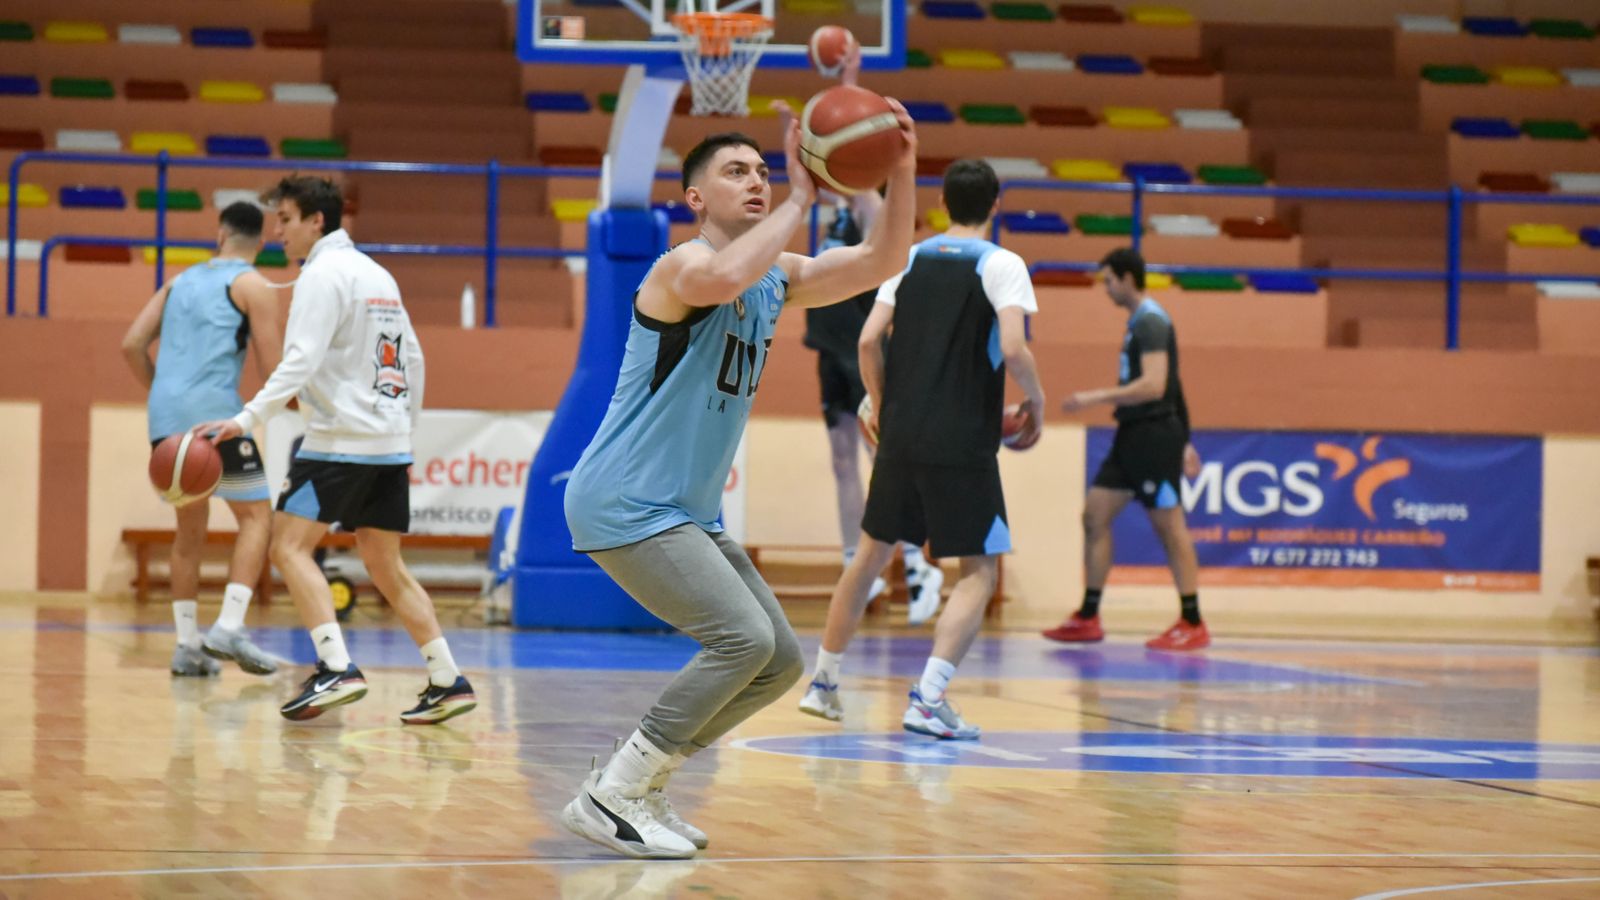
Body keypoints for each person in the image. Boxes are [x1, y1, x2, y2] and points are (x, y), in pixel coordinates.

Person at [559, 112, 918, 859]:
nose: (755, 180)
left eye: (762, 170)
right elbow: (724, 276)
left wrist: (902, 166)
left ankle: (645, 786)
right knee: (741, 639)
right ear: (694, 198)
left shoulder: (776, 278)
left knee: (780, 660)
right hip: (626, 499)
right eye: (737, 172)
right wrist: (797, 197)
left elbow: (884, 257)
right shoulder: (678, 269)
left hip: (685, 510)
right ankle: (614, 790)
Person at [192, 176, 477, 723]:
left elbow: (297, 362)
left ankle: (335, 666)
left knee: (287, 548)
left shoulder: (322, 276)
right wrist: (401, 429)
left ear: (317, 221)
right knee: (385, 563)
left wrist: (245, 419)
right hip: (387, 442)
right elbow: (412, 359)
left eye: (287, 220)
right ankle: (447, 678)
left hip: (339, 441)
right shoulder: (377, 274)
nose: (278, 232)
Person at [796, 159, 1045, 738]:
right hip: (962, 440)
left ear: (943, 203)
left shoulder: (908, 257)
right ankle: (929, 698)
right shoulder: (1003, 264)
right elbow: (1013, 345)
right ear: (996, 203)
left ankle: (824, 682)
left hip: (900, 436)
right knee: (980, 569)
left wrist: (881, 406)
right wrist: (1036, 398)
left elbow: (866, 341)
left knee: (867, 558)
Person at [799, 43, 942, 623]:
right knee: (840, 458)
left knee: (880, 451)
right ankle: (856, 561)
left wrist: (846, 93)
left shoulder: (868, 208)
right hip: (827, 341)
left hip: (866, 342)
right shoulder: (832, 207)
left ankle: (914, 559)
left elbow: (871, 213)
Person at [122, 202, 283, 678]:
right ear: (262, 242)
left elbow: (131, 344)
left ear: (219, 235)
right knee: (256, 517)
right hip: (216, 420)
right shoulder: (254, 285)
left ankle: (186, 645)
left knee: (188, 530)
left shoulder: (178, 281)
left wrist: (164, 394)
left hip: (165, 419)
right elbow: (273, 371)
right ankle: (229, 626)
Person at [1042, 247, 1209, 651]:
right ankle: (1088, 615)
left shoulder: (1152, 321)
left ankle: (1193, 620)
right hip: (1131, 436)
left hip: (1153, 436)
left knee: (1169, 526)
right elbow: (1175, 385)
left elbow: (1156, 385)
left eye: (1109, 281)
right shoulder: (1140, 321)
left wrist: (1095, 396)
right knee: (1094, 515)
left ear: (1128, 279)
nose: (1106, 289)